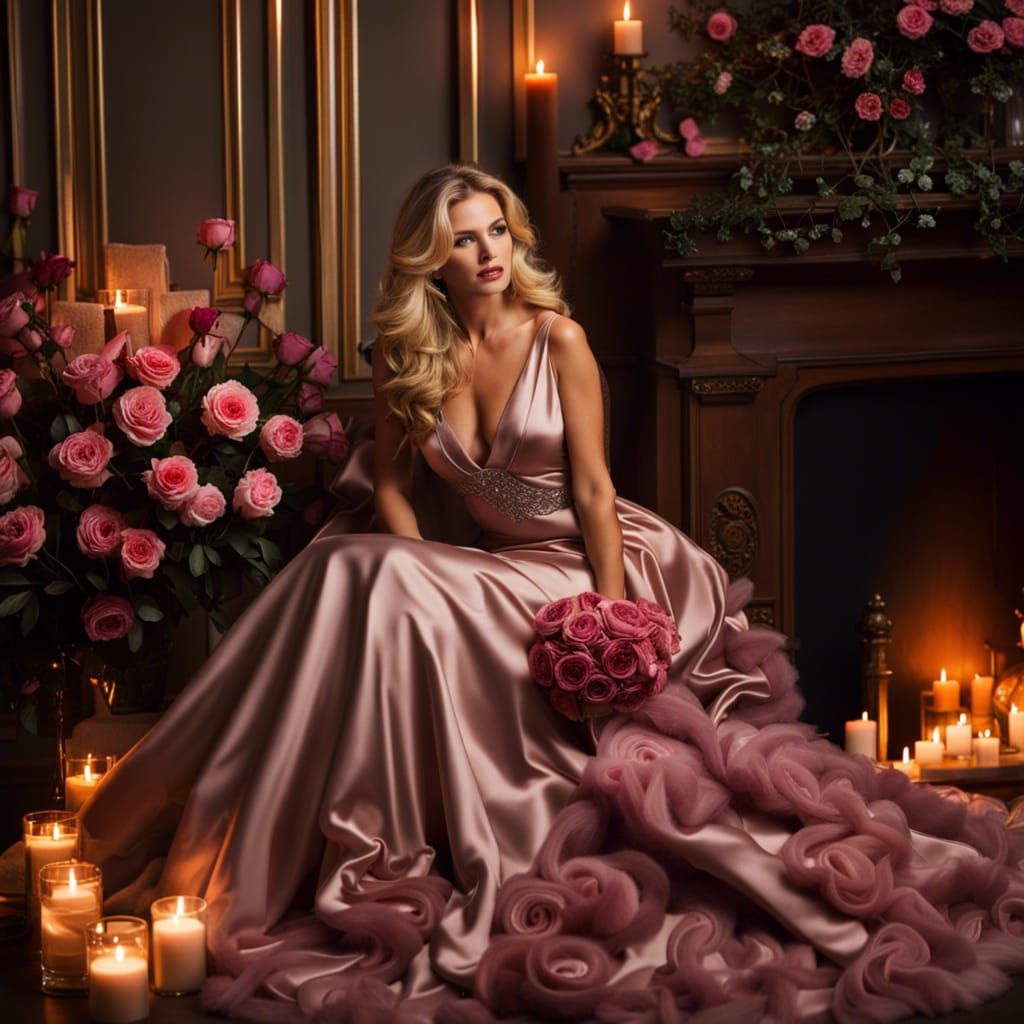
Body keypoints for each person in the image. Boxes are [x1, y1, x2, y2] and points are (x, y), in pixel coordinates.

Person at [81, 165, 1024, 1023]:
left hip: (589, 563)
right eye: (464, 239)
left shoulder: (558, 337)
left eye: (497, 230)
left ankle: (199, 826)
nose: (488, 253)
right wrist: (424, 578)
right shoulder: (414, 350)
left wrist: (615, 617)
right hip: (481, 569)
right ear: (431, 259)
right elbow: (396, 492)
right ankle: (245, 835)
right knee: (360, 567)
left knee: (351, 570)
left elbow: (596, 493)